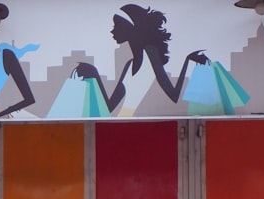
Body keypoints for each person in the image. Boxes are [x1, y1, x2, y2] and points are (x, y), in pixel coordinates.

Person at [76, 4, 208, 117]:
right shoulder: (129, 64)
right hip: (122, 126)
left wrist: (187, 60)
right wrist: (94, 74)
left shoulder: (150, 52)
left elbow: (173, 95)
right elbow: (109, 107)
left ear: (130, 27)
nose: (112, 31)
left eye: (116, 25)